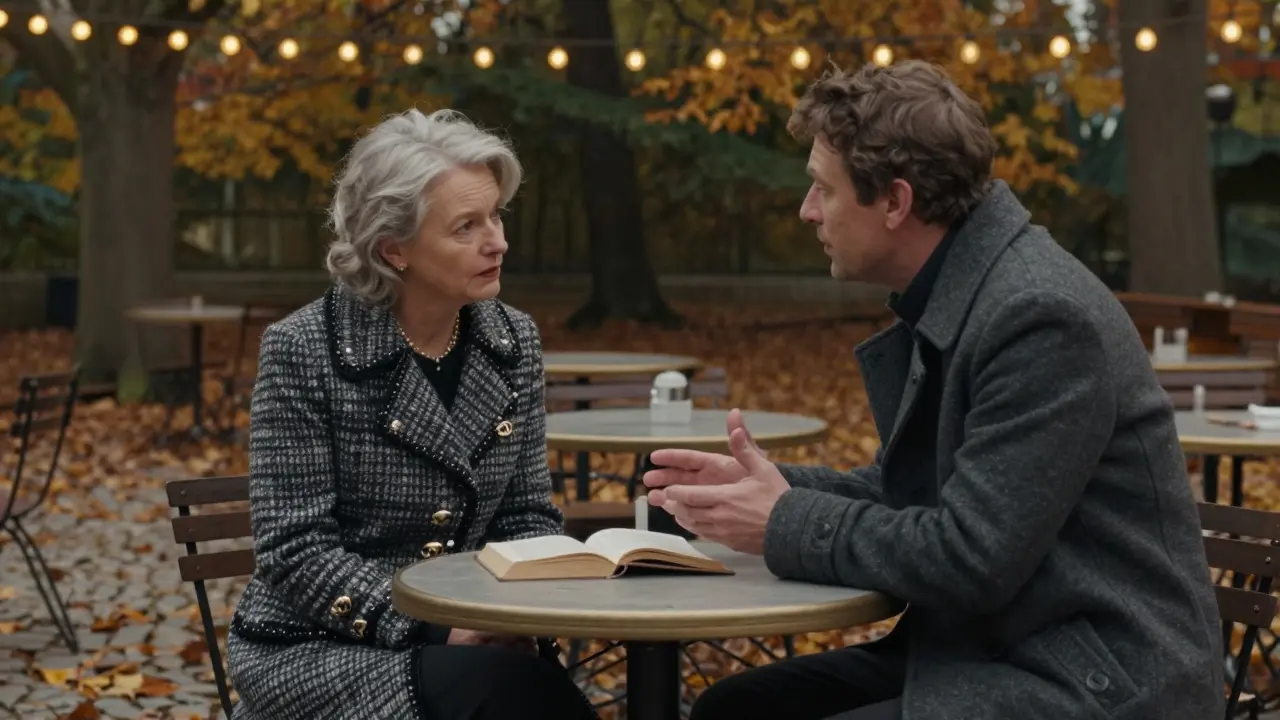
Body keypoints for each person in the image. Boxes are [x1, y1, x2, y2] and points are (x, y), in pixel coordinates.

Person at [644, 61, 1223, 720]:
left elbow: (971, 556)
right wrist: (767, 489)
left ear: (894, 202)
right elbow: (916, 495)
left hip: (1102, 680)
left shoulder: (1037, 315)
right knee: (738, 709)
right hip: (1003, 649)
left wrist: (782, 521)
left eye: (822, 191)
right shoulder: (971, 289)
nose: (807, 212)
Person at [226, 109, 598, 720]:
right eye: (465, 227)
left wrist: (523, 609)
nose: (497, 241)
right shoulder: (304, 349)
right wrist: (437, 629)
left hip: (479, 640)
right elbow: (294, 548)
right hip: (318, 649)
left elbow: (525, 513)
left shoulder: (513, 342)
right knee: (515, 696)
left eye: (497, 215)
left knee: (517, 690)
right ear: (393, 248)